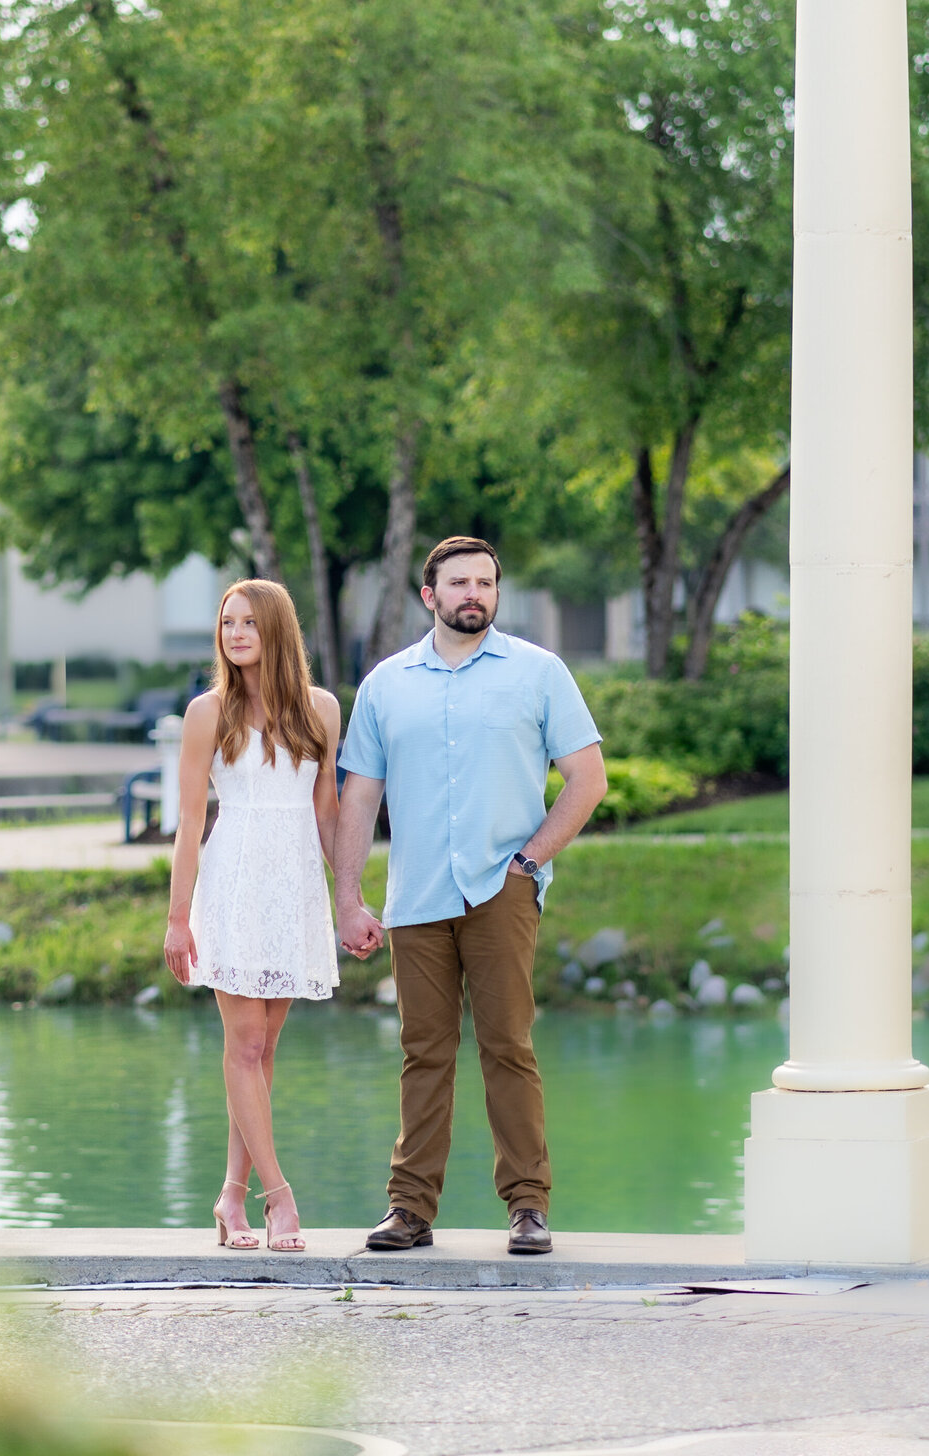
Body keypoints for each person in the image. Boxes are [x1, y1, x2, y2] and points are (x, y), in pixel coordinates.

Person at [333, 535, 607, 1255]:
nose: (473, 594)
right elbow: (359, 797)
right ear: (430, 595)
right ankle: (410, 1209)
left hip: (501, 891)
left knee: (508, 1046)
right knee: (423, 1052)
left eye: (485, 582)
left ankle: (528, 1206)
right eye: (459, 583)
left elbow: (588, 779)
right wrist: (348, 897)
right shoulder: (387, 685)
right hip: (416, 898)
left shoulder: (538, 673)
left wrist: (531, 860)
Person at [163, 579, 342, 1253]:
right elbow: (187, 822)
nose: (235, 633)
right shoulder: (208, 711)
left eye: (249, 622)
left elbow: (327, 812)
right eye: (226, 622)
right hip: (232, 883)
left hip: (293, 888)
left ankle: (230, 1198)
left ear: (278, 630)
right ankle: (280, 1199)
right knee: (243, 1046)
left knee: (263, 1051)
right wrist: (179, 919)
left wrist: (346, 899)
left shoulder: (320, 709)